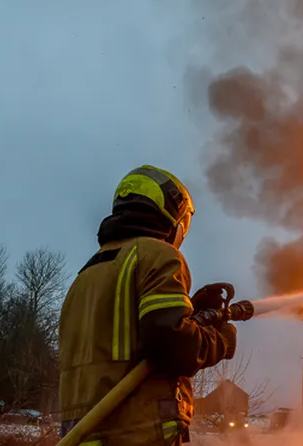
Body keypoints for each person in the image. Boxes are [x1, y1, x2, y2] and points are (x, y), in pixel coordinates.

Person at [58, 165, 237, 445]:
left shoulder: (87, 274)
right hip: (137, 431)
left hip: (84, 434)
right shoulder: (159, 255)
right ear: (173, 217)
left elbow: (131, 336)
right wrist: (220, 342)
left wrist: (188, 308)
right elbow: (170, 342)